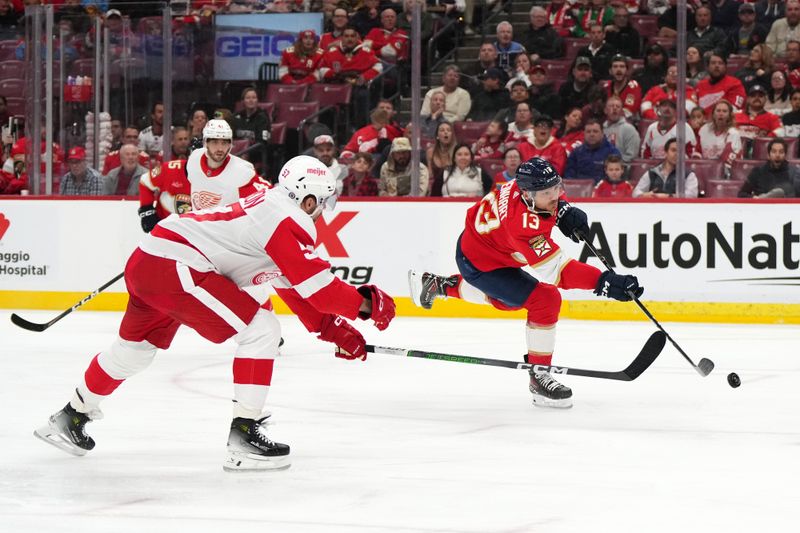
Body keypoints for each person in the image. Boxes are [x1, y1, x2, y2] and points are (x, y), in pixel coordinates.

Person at [34, 155, 397, 471]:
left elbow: (298, 290)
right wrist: (368, 305)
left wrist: (336, 332)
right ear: (307, 198)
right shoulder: (286, 221)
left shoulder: (273, 208)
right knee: (262, 330)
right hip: (177, 266)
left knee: (134, 351)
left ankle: (69, 416)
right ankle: (243, 438)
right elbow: (319, 289)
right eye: (321, 203)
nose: (321, 212)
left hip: (153, 259)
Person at [407, 157, 643, 409]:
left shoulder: (524, 188)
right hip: (481, 264)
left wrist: (562, 210)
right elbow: (558, 272)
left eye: (557, 188)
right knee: (545, 299)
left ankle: (439, 286)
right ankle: (539, 375)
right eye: (547, 193)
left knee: (510, 301)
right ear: (528, 195)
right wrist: (603, 282)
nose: (555, 195)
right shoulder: (522, 225)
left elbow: (548, 199)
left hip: (487, 248)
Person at [633, 138, 699, 198]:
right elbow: (635, 193)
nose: (677, 154)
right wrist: (645, 195)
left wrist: (668, 196)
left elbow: (692, 195)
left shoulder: (689, 175)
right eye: (673, 150)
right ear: (665, 152)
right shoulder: (652, 172)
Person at [564, 118, 620, 183]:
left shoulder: (612, 152)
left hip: (603, 190)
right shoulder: (576, 153)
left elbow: (615, 176)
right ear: (584, 134)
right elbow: (569, 175)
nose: (591, 134)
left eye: (595, 131)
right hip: (579, 190)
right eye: (588, 132)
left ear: (602, 133)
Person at [698, 100, 743, 177]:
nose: (721, 114)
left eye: (724, 111)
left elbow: (727, 162)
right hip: (703, 170)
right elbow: (697, 152)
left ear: (730, 115)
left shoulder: (733, 134)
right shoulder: (704, 130)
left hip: (724, 172)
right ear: (713, 114)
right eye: (718, 111)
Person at [602, 54, 642, 120]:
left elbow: (629, 112)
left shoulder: (633, 86)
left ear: (627, 70)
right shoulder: (606, 87)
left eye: (622, 66)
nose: (619, 69)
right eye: (615, 66)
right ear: (610, 71)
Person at [602, 95, 640, 163]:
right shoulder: (601, 129)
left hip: (622, 169)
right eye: (611, 106)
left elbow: (632, 156)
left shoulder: (629, 129)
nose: (614, 108)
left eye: (618, 106)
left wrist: (612, 164)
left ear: (622, 111)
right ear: (605, 110)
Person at [426, 121, 457, 195]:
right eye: (442, 130)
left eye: (448, 130)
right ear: (437, 136)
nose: (445, 132)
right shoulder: (431, 152)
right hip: (435, 189)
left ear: (452, 135)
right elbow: (430, 175)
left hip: (453, 188)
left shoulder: (457, 152)